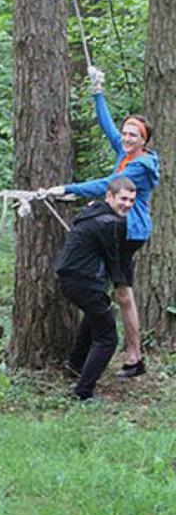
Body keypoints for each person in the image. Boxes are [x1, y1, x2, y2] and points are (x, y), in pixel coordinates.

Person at [47, 66, 159, 378]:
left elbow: (106, 186)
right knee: (111, 294)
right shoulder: (126, 152)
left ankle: (134, 356)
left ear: (143, 140)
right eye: (125, 133)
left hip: (129, 231)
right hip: (117, 228)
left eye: (133, 135)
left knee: (122, 294)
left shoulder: (139, 165)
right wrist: (98, 93)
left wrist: (66, 188)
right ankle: (93, 357)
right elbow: (108, 128)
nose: (125, 137)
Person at [54, 177, 137, 401]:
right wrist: (123, 284)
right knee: (108, 338)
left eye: (131, 200)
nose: (127, 205)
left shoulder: (93, 212)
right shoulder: (111, 223)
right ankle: (83, 392)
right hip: (84, 281)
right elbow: (115, 259)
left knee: (95, 317)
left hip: (71, 278)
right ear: (109, 196)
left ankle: (75, 363)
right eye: (123, 199)